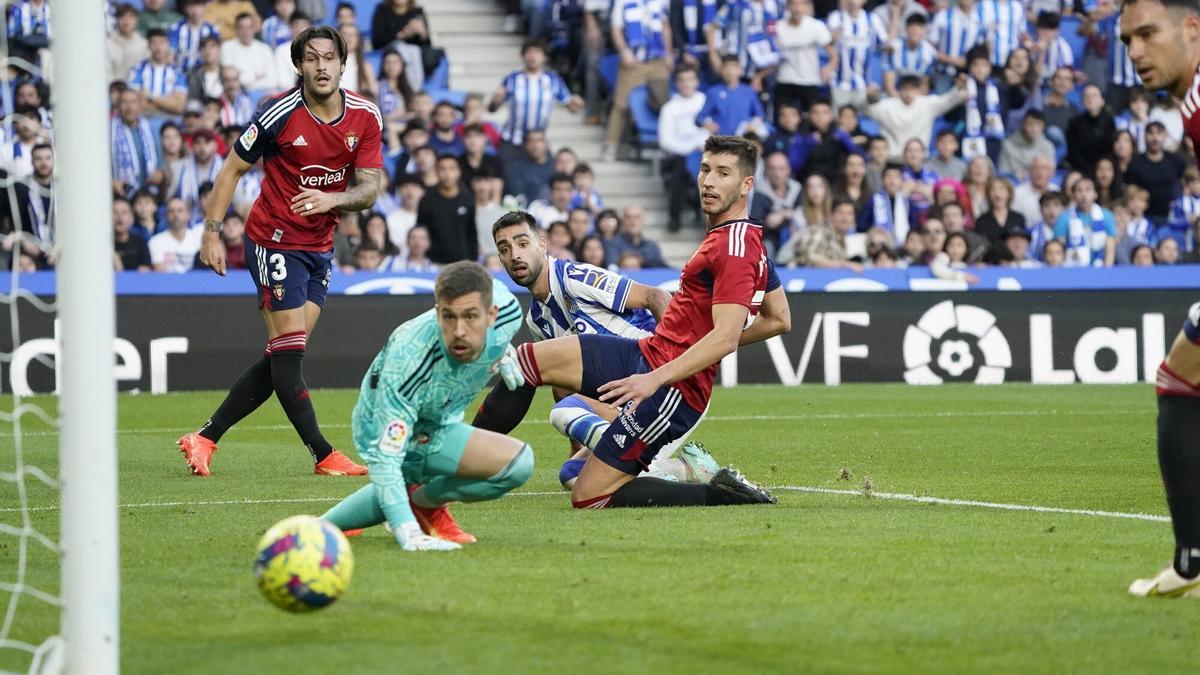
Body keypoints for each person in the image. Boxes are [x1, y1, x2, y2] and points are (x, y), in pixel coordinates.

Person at [507, 135, 788, 509]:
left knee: (587, 493)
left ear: (746, 184)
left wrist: (655, 378)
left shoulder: (735, 247)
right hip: (649, 355)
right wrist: (699, 343)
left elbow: (726, 337)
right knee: (531, 363)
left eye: (723, 173)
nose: (709, 181)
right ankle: (461, 456)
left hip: (670, 387)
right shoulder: (733, 237)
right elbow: (778, 319)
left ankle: (713, 490)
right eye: (706, 170)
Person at [176, 26, 384, 478]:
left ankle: (205, 437)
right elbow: (231, 169)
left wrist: (333, 200)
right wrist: (211, 233)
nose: (322, 66)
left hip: (318, 247)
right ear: (299, 66)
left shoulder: (366, 116)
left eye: (330, 57)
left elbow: (369, 188)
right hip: (273, 239)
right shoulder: (278, 113)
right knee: (289, 356)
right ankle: (324, 454)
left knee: (281, 355)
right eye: (312, 58)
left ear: (343, 64)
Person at [478, 211, 724, 489]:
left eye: (523, 244)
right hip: (627, 405)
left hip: (663, 388)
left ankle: (468, 452)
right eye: (504, 249)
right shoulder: (536, 319)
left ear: (543, 245)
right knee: (573, 475)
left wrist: (670, 369)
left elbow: (656, 296)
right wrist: (575, 444)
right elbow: (563, 387)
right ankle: (686, 468)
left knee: (562, 413)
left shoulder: (574, 277)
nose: (515, 255)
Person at [320, 262, 532, 550]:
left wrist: (501, 351)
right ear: (436, 313)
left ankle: (324, 526)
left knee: (519, 464)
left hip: (440, 417)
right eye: (448, 317)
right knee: (404, 470)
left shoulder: (509, 313)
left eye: (471, 317)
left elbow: (497, 332)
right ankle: (418, 510)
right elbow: (386, 460)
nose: (459, 331)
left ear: (492, 315)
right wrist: (408, 534)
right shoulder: (408, 362)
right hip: (381, 420)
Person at [490, 39, 582, 158]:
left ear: (544, 57)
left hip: (539, 142)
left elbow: (571, 106)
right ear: (523, 56)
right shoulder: (512, 79)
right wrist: (495, 101)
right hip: (513, 140)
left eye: (537, 52)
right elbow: (492, 108)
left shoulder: (553, 80)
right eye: (529, 52)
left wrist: (577, 104)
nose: (533, 56)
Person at [605, 0, 673, 159]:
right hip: (633, 62)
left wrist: (669, 53)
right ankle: (611, 146)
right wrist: (623, 51)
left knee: (665, 103)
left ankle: (666, 146)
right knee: (621, 104)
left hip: (657, 60)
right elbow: (616, 28)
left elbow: (665, 25)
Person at [865, 74, 970, 163]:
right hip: (892, 159)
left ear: (919, 90)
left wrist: (958, 88)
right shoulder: (887, 105)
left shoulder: (927, 104)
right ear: (899, 90)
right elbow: (869, 108)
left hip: (920, 160)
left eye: (913, 88)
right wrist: (870, 96)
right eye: (905, 88)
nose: (908, 93)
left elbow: (948, 100)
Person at [658, 64, 709, 232]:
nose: (686, 84)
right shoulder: (669, 108)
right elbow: (665, 140)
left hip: (706, 152)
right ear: (677, 83)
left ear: (697, 81)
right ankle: (675, 217)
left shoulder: (706, 101)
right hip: (680, 154)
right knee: (680, 169)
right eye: (682, 80)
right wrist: (689, 149)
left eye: (690, 79)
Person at [773, 0, 836, 115]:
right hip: (785, 79)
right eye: (794, 4)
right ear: (788, 6)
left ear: (807, 6)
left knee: (811, 119)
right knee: (783, 118)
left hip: (809, 80)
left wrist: (828, 69)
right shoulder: (778, 27)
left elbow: (834, 55)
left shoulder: (816, 26)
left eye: (801, 4)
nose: (797, 8)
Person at [826, 0, 888, 112]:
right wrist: (833, 36)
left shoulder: (872, 19)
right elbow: (826, 44)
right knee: (838, 121)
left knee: (866, 122)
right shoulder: (836, 17)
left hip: (865, 85)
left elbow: (885, 45)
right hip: (840, 83)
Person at [418, 154, 477, 264]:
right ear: (436, 172)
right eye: (442, 169)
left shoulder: (467, 199)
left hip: (462, 262)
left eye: (451, 168)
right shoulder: (427, 199)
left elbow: (471, 233)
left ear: (459, 172)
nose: (447, 174)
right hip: (433, 263)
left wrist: (473, 260)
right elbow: (421, 228)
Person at [1126, 121, 1188, 224]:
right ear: (1145, 136)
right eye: (1150, 133)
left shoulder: (1176, 161)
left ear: (1165, 136)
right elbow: (1130, 192)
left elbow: (1185, 186)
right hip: (1142, 219)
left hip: (1172, 219)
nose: (1155, 138)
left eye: (1159, 133)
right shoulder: (1135, 163)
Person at [1054, 175, 1116, 267]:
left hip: (1100, 267)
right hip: (1072, 268)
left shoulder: (1106, 216)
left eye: (1088, 190)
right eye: (1079, 191)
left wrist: (1106, 272)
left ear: (1095, 194)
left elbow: (1110, 248)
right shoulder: (1064, 217)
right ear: (1073, 195)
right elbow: (1059, 247)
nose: (1084, 195)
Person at [697, 56, 766, 137]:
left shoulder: (748, 91)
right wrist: (707, 124)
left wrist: (751, 126)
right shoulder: (713, 92)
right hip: (722, 138)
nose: (730, 71)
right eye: (726, 67)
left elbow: (760, 115)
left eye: (734, 67)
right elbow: (701, 117)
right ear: (721, 71)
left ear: (740, 70)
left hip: (744, 137)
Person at [1066, 84, 1118, 176]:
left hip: (1103, 169)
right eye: (1086, 96)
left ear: (1102, 100)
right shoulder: (1074, 123)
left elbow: (1110, 150)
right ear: (1082, 101)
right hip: (1081, 170)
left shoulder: (1109, 122)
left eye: (1094, 95)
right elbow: (1073, 152)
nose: (1090, 99)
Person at [220, 12, 277, 93]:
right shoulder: (227, 47)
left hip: (266, 93)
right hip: (239, 94)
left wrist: (246, 79)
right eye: (242, 28)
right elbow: (230, 79)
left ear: (254, 29)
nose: (246, 31)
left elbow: (273, 80)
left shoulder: (264, 48)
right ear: (236, 30)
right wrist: (255, 76)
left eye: (249, 27)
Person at [883, 14, 937, 97]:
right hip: (896, 95)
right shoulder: (894, 48)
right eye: (911, 26)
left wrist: (914, 103)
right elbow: (889, 85)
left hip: (918, 97)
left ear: (924, 30)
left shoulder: (930, 52)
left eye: (919, 26)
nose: (914, 30)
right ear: (906, 29)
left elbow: (925, 85)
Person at [999, 110, 1055, 182]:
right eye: (1030, 124)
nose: (1034, 128)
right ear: (1023, 125)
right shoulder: (1007, 145)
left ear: (1043, 127)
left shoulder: (1048, 146)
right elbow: (1004, 173)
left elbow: (1050, 173)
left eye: (1038, 124)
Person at [503, 128, 556, 205]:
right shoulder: (514, 169)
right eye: (531, 141)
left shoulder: (556, 165)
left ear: (547, 144)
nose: (535, 145)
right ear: (525, 145)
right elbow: (519, 198)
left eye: (539, 140)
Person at [172, 0, 221, 74]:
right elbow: (170, 55)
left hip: (204, 74)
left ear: (204, 7)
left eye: (198, 6)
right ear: (185, 8)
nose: (195, 10)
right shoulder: (176, 29)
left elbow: (216, 56)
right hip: (181, 73)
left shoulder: (212, 30)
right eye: (191, 6)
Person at [108, 3, 149, 82]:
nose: (126, 22)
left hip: (138, 91)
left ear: (136, 20)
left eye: (130, 17)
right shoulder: (108, 44)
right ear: (116, 20)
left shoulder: (144, 45)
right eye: (122, 17)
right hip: (114, 90)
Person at [113, 197, 152, 272]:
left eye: (124, 212)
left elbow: (143, 275)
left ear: (132, 217)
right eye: (115, 212)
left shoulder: (141, 243)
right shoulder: (102, 246)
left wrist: (119, 268)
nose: (119, 217)